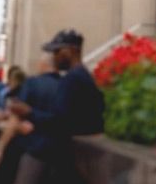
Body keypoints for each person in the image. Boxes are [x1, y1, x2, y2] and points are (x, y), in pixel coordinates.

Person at [9, 29, 104, 181]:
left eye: (58, 51)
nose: (55, 56)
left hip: (70, 162)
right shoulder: (82, 76)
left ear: (71, 50)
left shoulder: (73, 79)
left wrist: (29, 112)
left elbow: (60, 122)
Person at [0, 54, 61, 184]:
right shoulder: (65, 86)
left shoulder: (33, 84)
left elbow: (16, 116)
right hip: (59, 155)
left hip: (33, 152)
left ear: (43, 65)